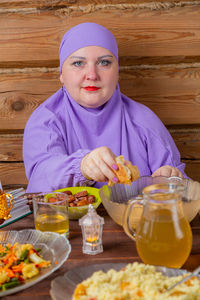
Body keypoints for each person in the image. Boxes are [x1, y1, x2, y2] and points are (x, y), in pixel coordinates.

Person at [23, 22, 187, 193]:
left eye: (104, 62)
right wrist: (82, 167)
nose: (92, 75)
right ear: (62, 74)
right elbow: (40, 178)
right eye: (78, 63)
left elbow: (182, 193)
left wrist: (173, 179)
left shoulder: (144, 120)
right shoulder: (45, 120)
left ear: (117, 72)